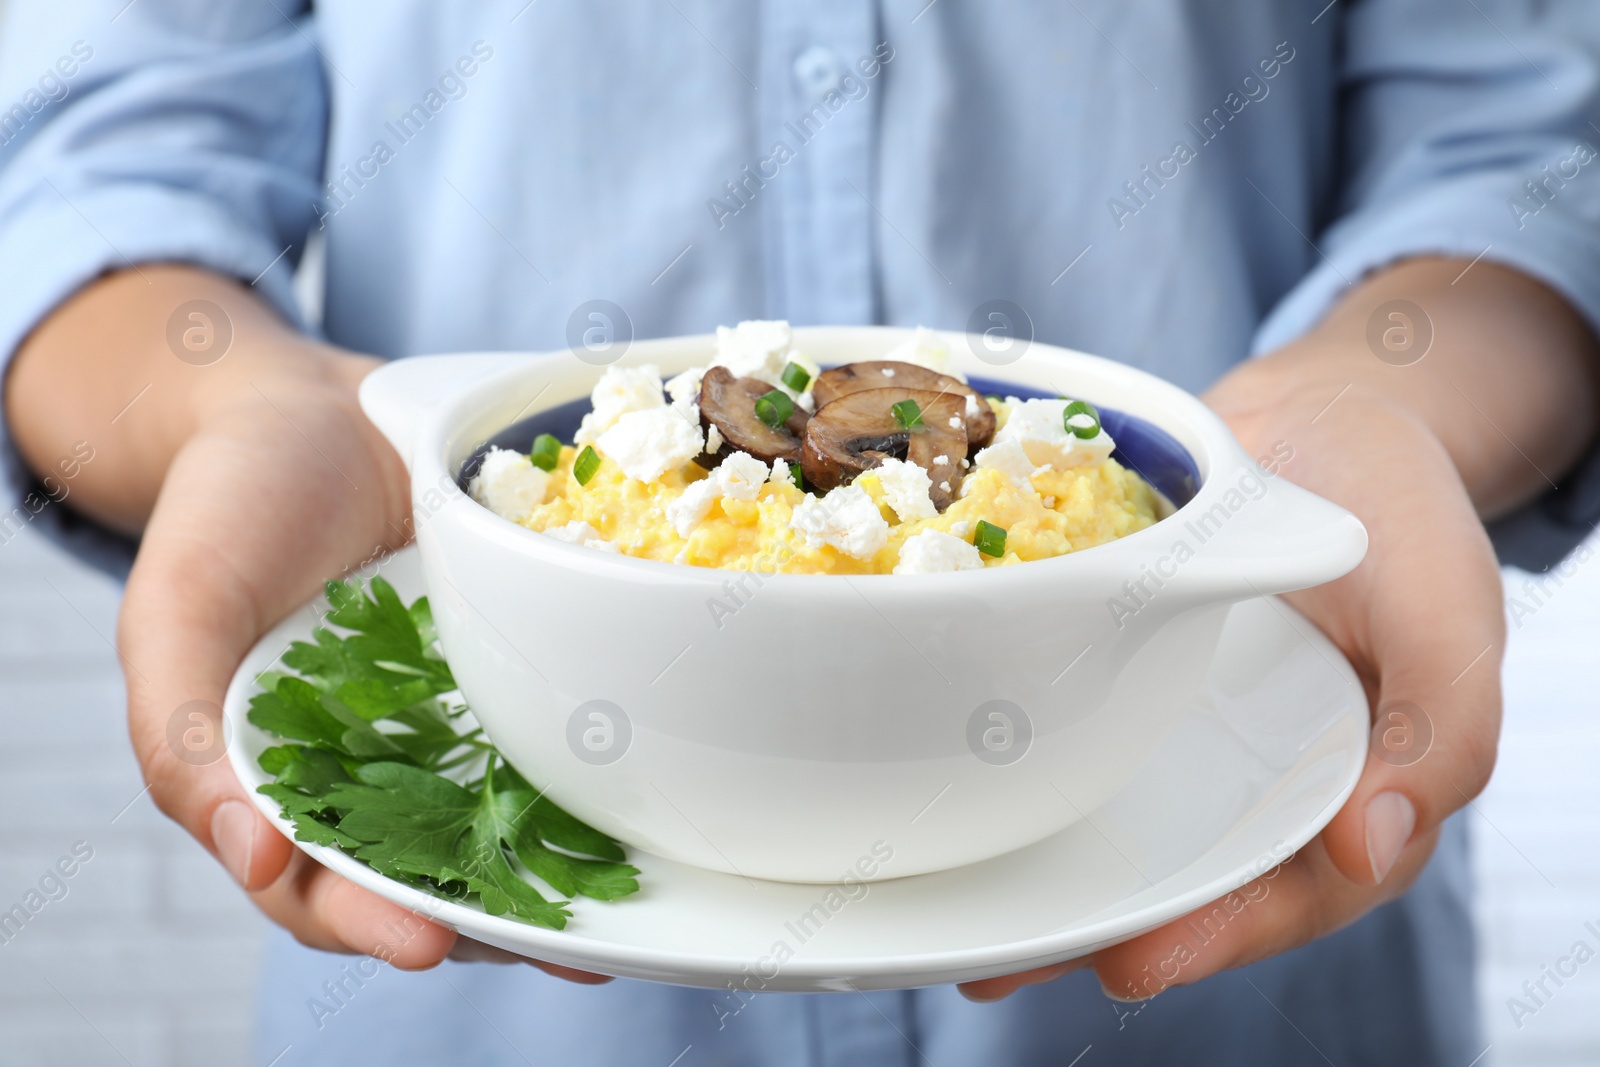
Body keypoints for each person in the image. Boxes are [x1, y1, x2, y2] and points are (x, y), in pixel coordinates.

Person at [3, 1, 1599, 1063]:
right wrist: (236, 402)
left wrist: (1369, 401)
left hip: (1236, 915)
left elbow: (1523, 155)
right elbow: (99, 162)